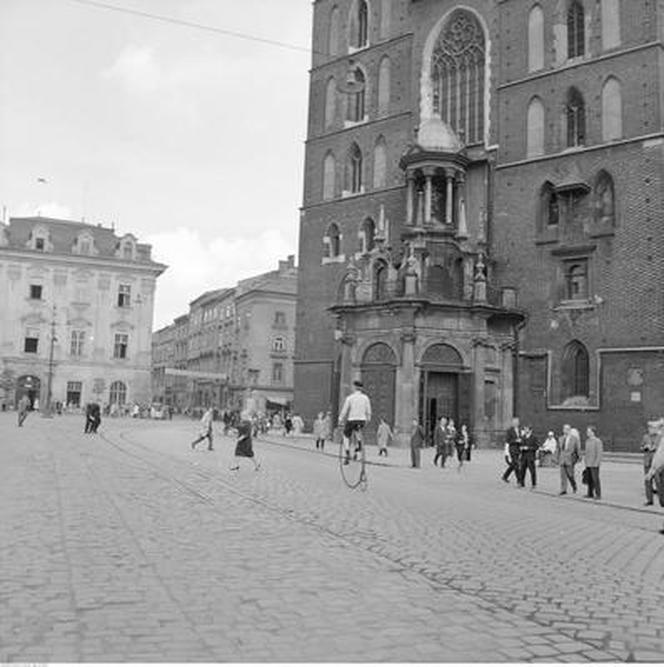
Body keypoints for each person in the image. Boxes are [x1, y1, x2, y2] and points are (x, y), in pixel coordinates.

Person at [338, 380, 372, 465]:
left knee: (346, 435)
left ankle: (347, 452)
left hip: (352, 419)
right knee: (357, 431)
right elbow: (368, 410)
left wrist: (340, 419)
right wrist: (368, 419)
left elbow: (345, 410)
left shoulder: (350, 398)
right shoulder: (365, 398)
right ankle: (358, 446)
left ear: (354, 387)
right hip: (361, 420)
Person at [642, 419, 664, 507]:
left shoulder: (660, 438)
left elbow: (659, 454)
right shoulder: (646, 437)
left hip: (659, 465)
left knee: (659, 482)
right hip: (650, 462)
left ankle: (661, 499)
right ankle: (650, 499)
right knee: (648, 481)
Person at [558, 424, 581, 495]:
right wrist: (557, 458)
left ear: (569, 430)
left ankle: (574, 485)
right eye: (564, 429)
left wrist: (579, 457)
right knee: (563, 476)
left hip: (570, 459)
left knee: (570, 475)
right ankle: (563, 489)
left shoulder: (574, 439)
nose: (565, 430)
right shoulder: (561, 438)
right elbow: (559, 449)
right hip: (562, 459)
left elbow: (577, 449)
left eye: (567, 429)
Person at [583, 425, 603, 500]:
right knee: (589, 479)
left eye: (588, 431)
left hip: (594, 463)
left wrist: (597, 462)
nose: (587, 433)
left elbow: (599, 453)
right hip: (588, 463)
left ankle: (598, 494)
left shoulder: (597, 441)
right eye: (587, 431)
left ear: (593, 432)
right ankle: (590, 493)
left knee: (595, 479)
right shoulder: (587, 441)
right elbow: (586, 452)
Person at [502, 417, 522, 483]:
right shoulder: (509, 430)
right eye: (515, 422)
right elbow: (508, 440)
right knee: (516, 464)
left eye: (517, 422)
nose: (516, 423)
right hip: (512, 449)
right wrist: (515, 440)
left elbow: (521, 438)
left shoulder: (520, 430)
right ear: (512, 423)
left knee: (513, 464)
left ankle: (505, 476)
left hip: (518, 449)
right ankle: (519, 480)